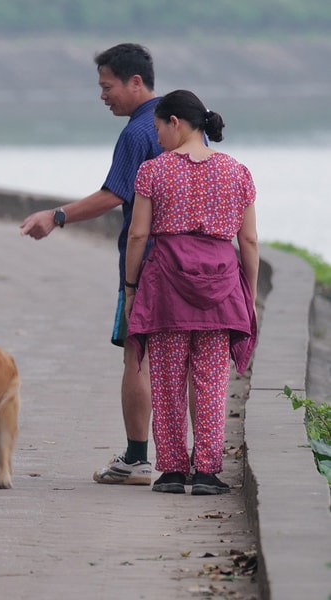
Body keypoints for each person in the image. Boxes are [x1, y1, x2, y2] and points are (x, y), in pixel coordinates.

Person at [20, 43, 162, 485]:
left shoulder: (138, 132)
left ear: (134, 82)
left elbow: (114, 195)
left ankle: (138, 459)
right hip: (194, 263)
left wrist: (56, 215)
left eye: (107, 86)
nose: (103, 96)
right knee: (189, 361)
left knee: (136, 358)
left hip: (146, 264)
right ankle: (198, 460)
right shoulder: (186, 123)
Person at [124, 90, 258, 495]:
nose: (158, 137)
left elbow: (138, 233)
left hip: (167, 283)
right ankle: (206, 473)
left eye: (159, 128)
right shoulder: (238, 172)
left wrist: (131, 287)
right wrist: (247, 291)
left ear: (175, 122)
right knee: (212, 382)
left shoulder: (153, 172)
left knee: (166, 380)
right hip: (220, 286)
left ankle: (171, 473)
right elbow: (249, 240)